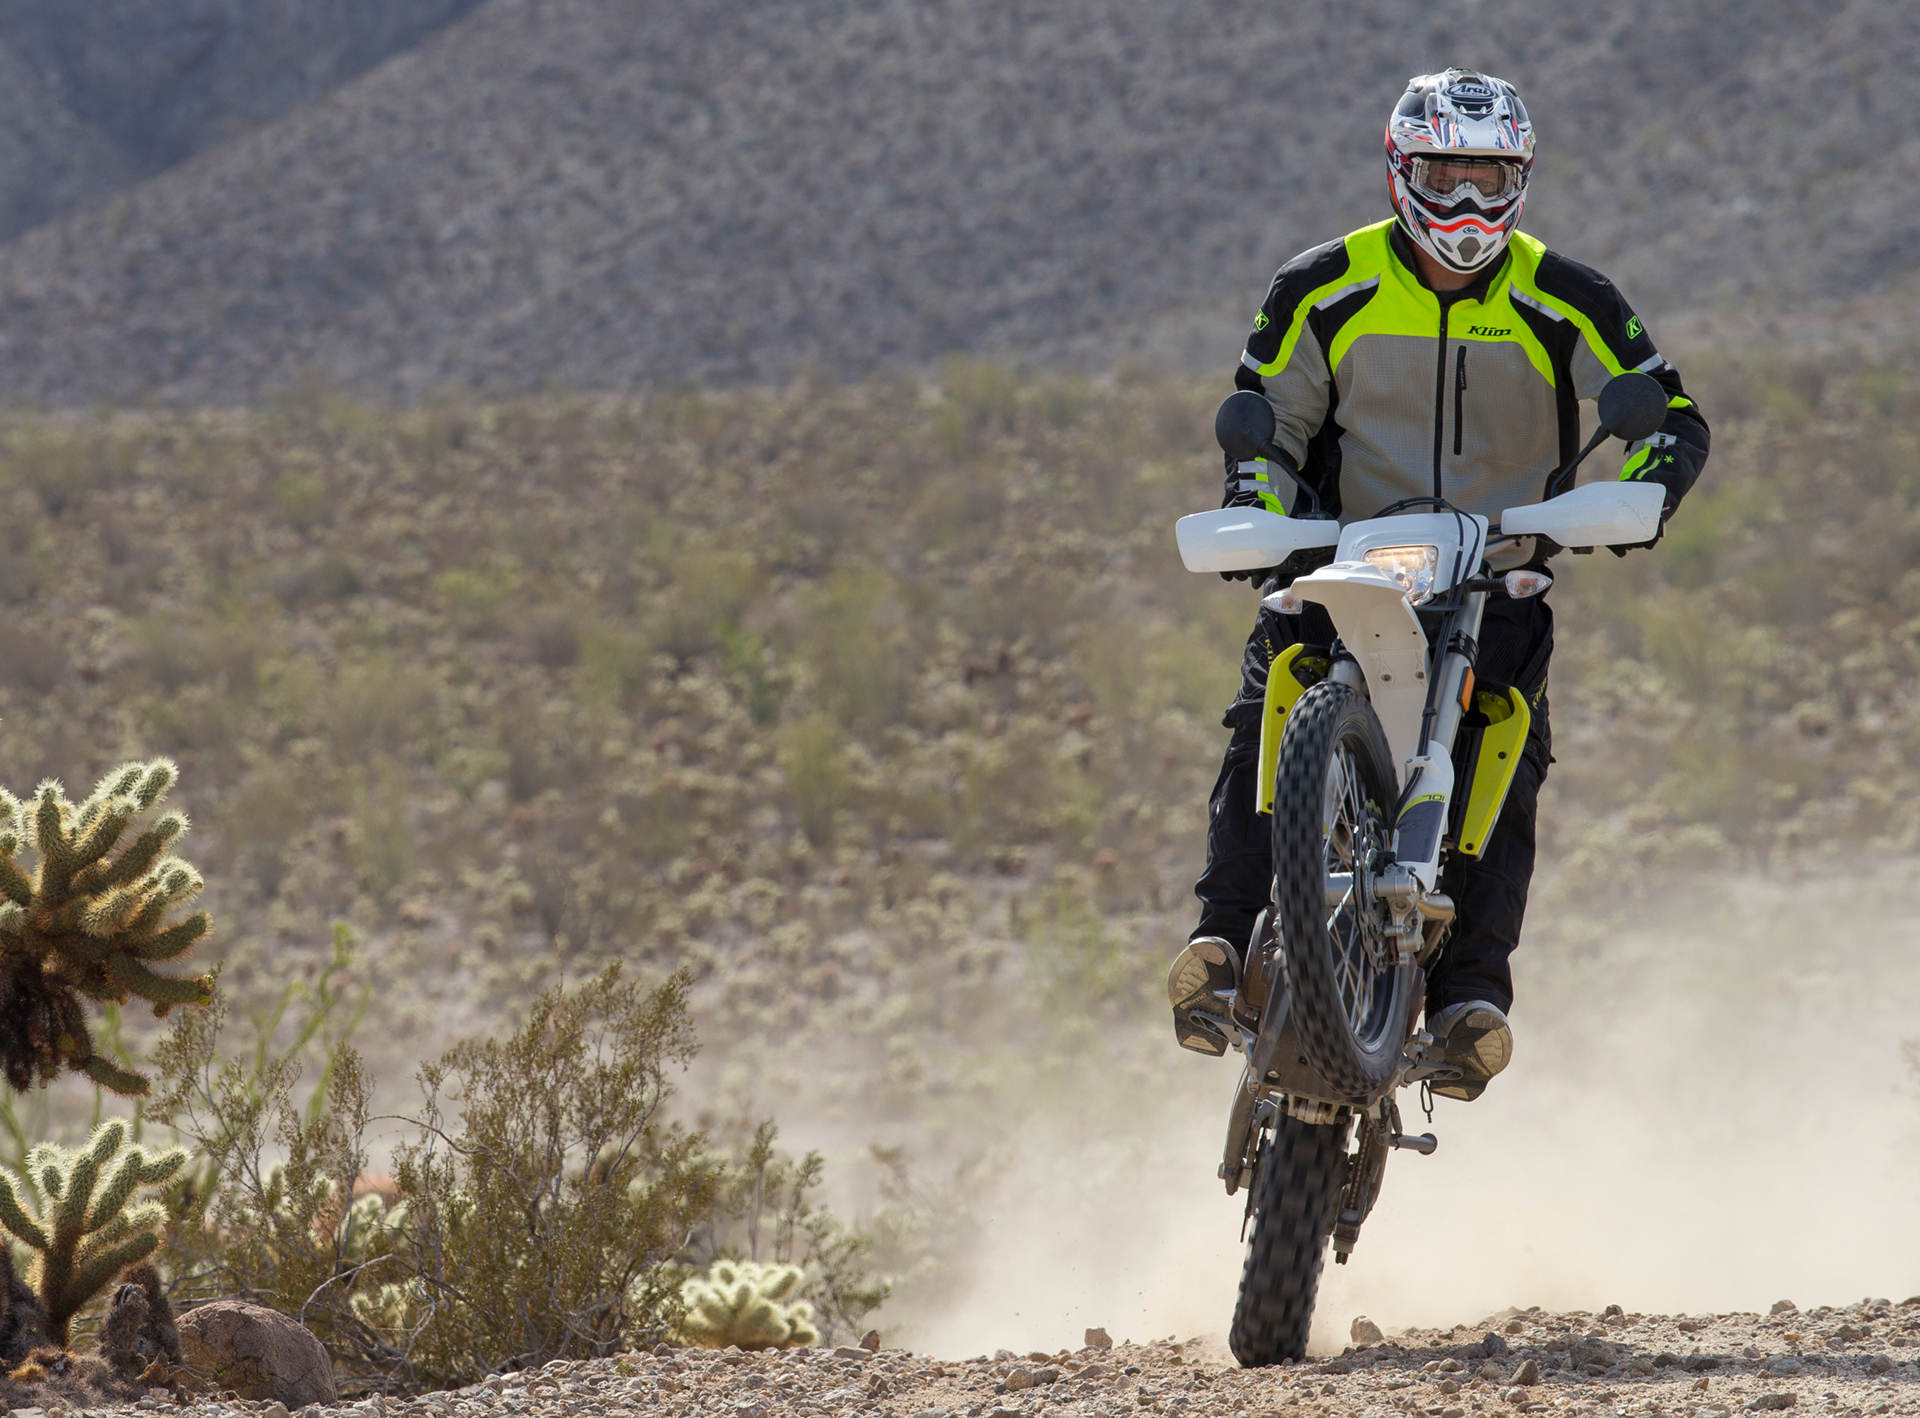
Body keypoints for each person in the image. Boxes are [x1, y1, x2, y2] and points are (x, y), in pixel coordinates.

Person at [1166, 67, 1709, 1099]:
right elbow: (1265, 421)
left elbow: (1668, 413)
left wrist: (1643, 492)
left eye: (1486, 177)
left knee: (1509, 740)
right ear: (1400, 170)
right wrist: (1259, 507)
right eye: (1443, 174)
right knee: (1268, 697)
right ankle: (1220, 940)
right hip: (1346, 560)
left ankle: (1470, 999)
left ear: (1520, 179)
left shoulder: (1568, 296)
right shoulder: (1322, 285)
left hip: (1497, 570)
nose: (1464, 198)